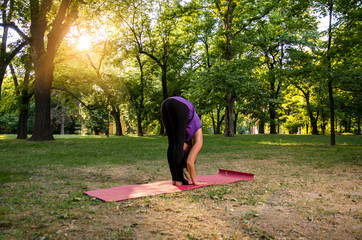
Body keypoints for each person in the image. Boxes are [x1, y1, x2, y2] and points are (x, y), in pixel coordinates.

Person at [161, 96, 203, 186]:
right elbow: (189, 162)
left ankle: (175, 179)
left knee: (172, 144)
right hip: (181, 105)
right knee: (177, 145)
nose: (183, 150)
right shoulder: (198, 141)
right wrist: (195, 182)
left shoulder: (187, 137)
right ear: (188, 150)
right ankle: (179, 180)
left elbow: (175, 153)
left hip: (165, 104)